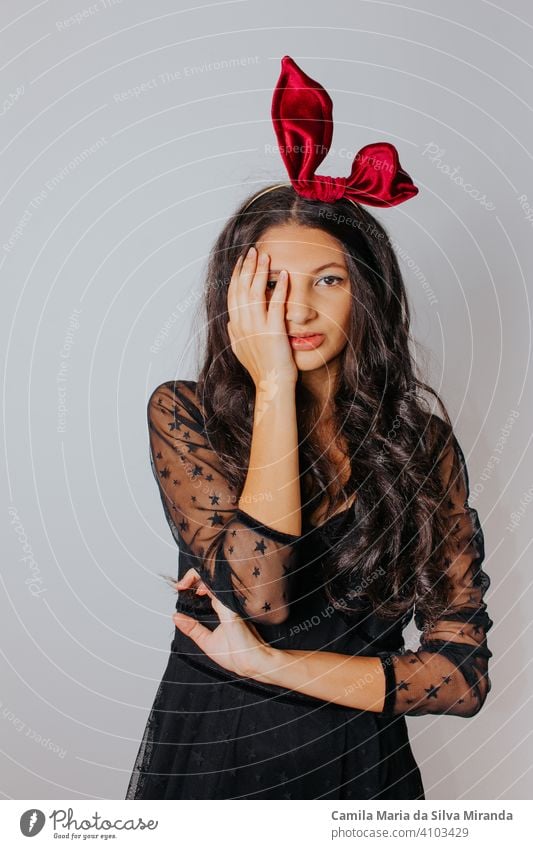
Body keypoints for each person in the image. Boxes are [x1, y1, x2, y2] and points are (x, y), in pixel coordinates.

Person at [125, 57, 493, 801]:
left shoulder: (419, 446)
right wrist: (273, 387)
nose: (295, 310)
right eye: (271, 284)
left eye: (327, 280)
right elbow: (261, 594)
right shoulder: (184, 413)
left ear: (367, 294)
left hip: (364, 771)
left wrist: (266, 663)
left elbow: (458, 676)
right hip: (215, 760)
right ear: (236, 297)